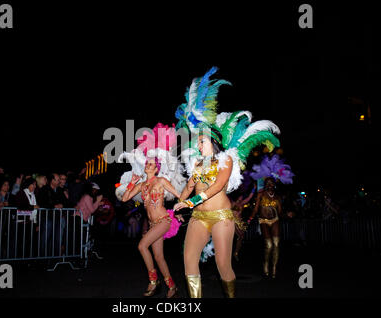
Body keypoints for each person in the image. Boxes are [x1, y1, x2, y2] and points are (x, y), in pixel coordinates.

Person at [173, 66, 280, 298]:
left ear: (214, 142)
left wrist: (189, 203)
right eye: (198, 142)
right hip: (198, 218)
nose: (198, 145)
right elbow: (190, 186)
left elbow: (217, 187)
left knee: (224, 266)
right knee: (189, 262)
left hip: (221, 217)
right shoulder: (198, 164)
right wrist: (180, 203)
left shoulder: (226, 160)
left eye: (202, 142)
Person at [122, 157, 181, 298]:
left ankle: (153, 281)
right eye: (147, 163)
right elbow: (125, 198)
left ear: (156, 169)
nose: (147, 165)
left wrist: (179, 211)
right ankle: (172, 287)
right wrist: (132, 182)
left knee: (142, 246)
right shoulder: (142, 185)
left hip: (163, 221)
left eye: (151, 164)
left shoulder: (161, 181)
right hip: (153, 224)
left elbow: (179, 195)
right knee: (159, 257)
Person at [248, 177, 285, 278]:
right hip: (263, 220)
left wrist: (288, 214)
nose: (269, 185)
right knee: (269, 245)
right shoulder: (261, 194)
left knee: (276, 244)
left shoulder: (277, 197)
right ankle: (266, 263)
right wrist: (249, 219)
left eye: (271, 183)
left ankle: (274, 267)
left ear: (274, 185)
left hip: (275, 220)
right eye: (267, 183)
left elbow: (280, 212)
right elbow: (256, 210)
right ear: (265, 185)